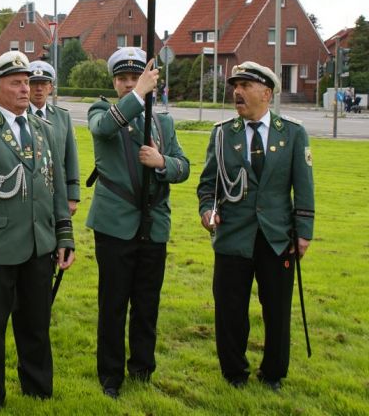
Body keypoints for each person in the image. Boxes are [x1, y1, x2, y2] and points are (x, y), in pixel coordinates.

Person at [0, 51, 75, 409]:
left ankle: (38, 390)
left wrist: (64, 235)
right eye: (17, 83)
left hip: (39, 244)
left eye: (28, 82)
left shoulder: (44, 129)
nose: (26, 89)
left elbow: (56, 188)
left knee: (36, 324)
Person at [198, 61, 315, 390]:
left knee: (277, 309)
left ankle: (273, 373)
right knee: (230, 308)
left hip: (277, 236)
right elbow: (208, 185)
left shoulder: (292, 133)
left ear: (266, 93)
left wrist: (304, 231)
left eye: (245, 86)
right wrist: (207, 211)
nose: (237, 92)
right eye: (235, 86)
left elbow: (304, 186)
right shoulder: (222, 133)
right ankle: (234, 372)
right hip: (233, 235)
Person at [86, 47, 190, 399]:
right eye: (123, 79)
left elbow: (183, 166)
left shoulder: (163, 123)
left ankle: (143, 369)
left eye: (136, 77)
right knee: (113, 304)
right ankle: (110, 376)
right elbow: (105, 128)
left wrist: (162, 162)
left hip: (154, 224)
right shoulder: (101, 111)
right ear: (115, 83)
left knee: (147, 304)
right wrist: (139, 93)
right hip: (115, 224)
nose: (130, 83)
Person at [27, 60, 81, 216]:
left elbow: (71, 157)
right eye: (33, 83)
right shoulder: (19, 116)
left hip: (58, 190)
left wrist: (73, 196)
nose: (38, 88)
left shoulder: (62, 116)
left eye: (43, 83)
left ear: (50, 87)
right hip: (30, 191)